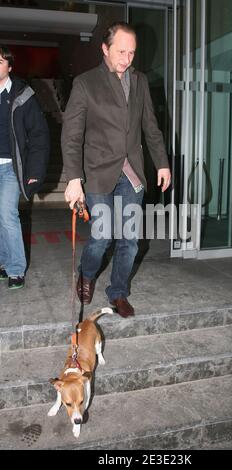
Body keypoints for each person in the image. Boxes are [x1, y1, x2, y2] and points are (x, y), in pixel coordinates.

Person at [62, 22, 171, 317]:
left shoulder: (140, 81)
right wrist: (73, 178)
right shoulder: (86, 83)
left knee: (130, 239)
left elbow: (150, 126)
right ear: (105, 49)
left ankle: (118, 292)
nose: (126, 58)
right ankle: (86, 274)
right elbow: (72, 134)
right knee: (102, 235)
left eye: (132, 53)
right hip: (98, 172)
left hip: (132, 172)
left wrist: (161, 162)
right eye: (121, 51)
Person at [0, 45, 50, 289]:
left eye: (0, 61)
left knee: (7, 215)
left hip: (11, 167)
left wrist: (34, 172)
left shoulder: (23, 95)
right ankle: (3, 262)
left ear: (9, 67)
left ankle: (16, 269)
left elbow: (39, 135)